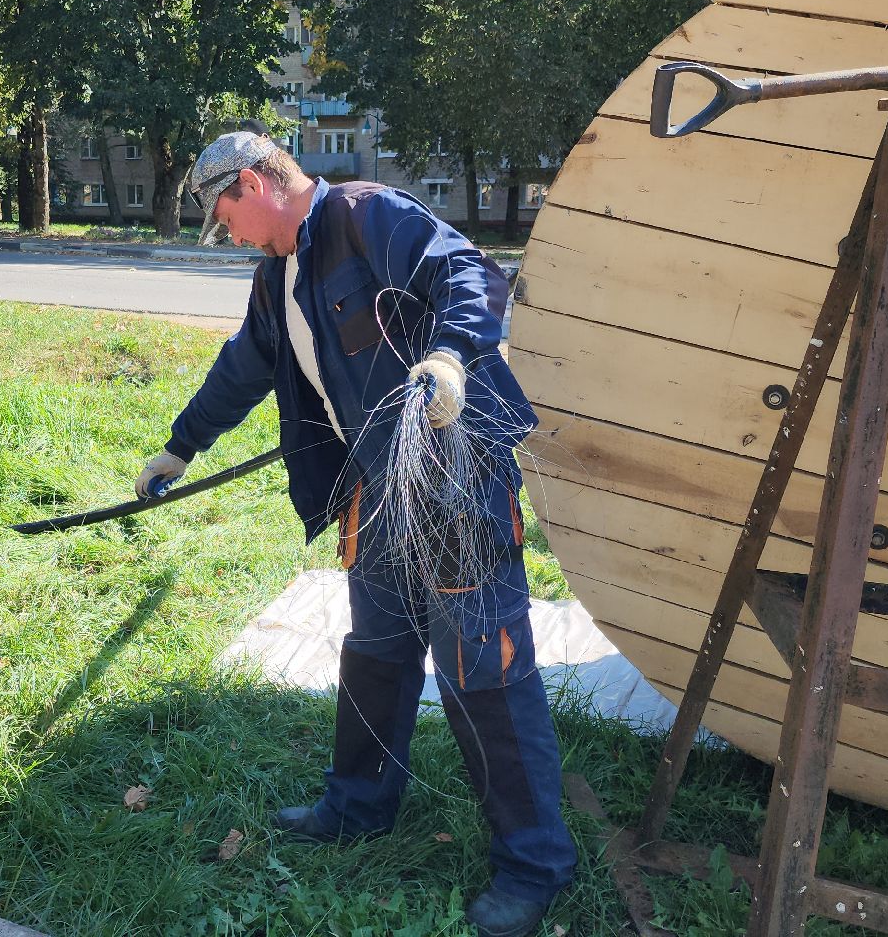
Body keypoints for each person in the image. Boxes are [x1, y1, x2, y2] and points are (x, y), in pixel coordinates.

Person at [135, 132, 575, 937]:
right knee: (375, 651)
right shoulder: (277, 278)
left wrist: (448, 355)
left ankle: (534, 865)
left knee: (484, 667)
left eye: (224, 213)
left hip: (456, 477)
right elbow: (243, 365)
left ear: (257, 180)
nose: (227, 233)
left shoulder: (366, 215)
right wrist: (181, 443)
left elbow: (468, 273)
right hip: (374, 485)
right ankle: (360, 804)